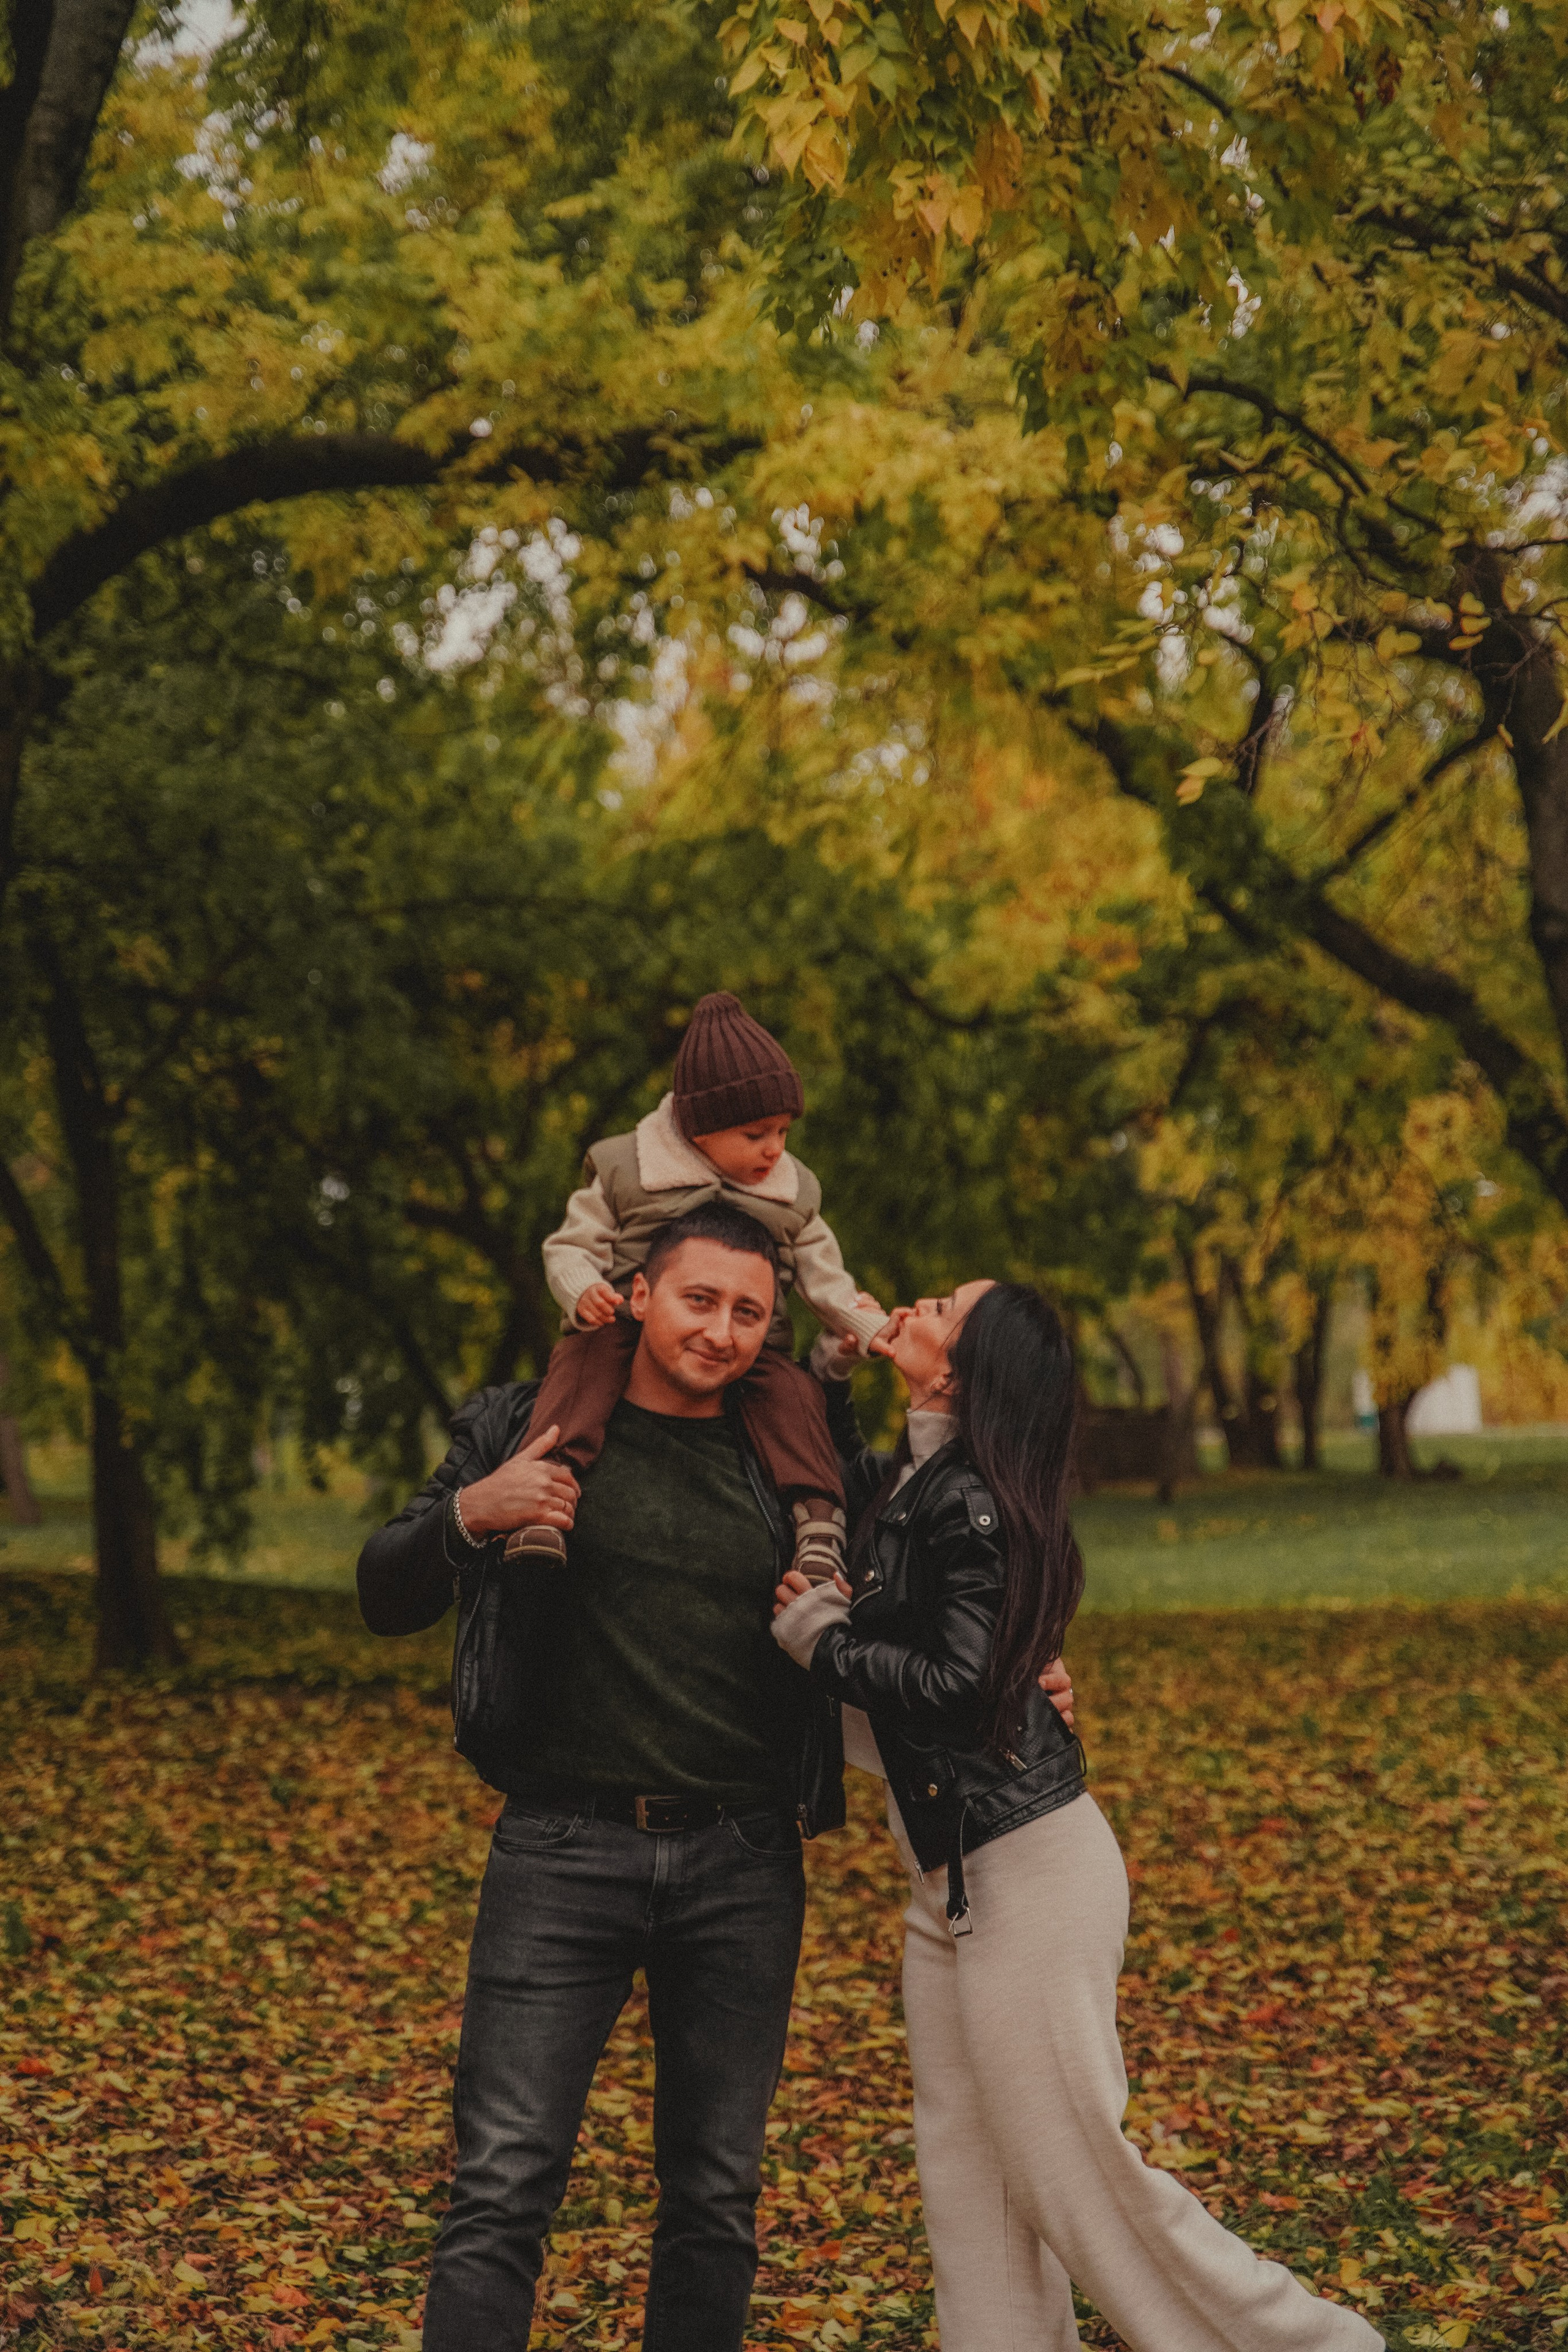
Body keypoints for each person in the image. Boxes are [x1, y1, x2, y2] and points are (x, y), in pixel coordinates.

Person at [772, 1280, 1384, 2352]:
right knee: (971, 2176)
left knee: (1077, 2177)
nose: (910, 1302)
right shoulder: (925, 1479)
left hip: (1028, 1873)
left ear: (960, 1373)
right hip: (951, 1872)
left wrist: (824, 1642)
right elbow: (840, 1490)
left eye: (941, 1305)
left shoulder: (968, 1501)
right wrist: (830, 1372)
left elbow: (956, 1687)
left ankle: (1314, 2346)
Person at [356, 1202, 846, 2352]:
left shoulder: (796, 1455)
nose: (721, 1332)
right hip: (559, 1856)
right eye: (699, 1300)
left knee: (716, 2198)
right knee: (503, 2187)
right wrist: (474, 1515)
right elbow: (384, 1592)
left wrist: (1033, 1659)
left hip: (744, 1861)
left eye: (749, 1314)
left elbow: (930, 1568)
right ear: (636, 1295)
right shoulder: (526, 1424)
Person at [521, 992, 889, 1585]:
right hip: (617, 1318)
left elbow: (826, 1275)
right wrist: (581, 1288)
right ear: (698, 1130)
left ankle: (817, 1522)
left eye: (783, 1132)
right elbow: (572, 1243)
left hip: (755, 1341)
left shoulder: (791, 1193)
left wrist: (862, 1324)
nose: (774, 1149)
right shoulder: (629, 1170)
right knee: (579, 1370)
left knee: (793, 1395)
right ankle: (545, 1492)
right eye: (754, 1134)